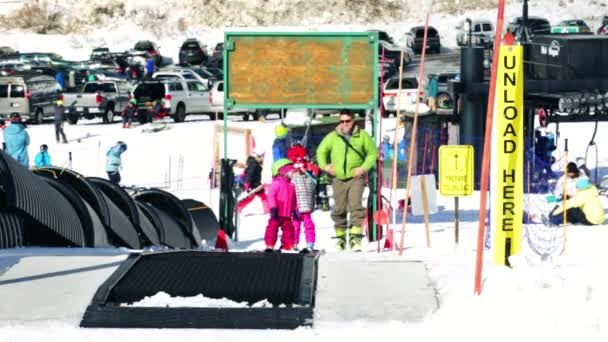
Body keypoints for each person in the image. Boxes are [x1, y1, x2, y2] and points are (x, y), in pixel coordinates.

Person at [316, 110, 378, 251]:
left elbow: (372, 153)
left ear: (353, 121)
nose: (345, 124)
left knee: (355, 206)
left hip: (356, 177)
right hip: (338, 178)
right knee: (339, 208)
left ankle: (355, 239)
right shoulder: (332, 137)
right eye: (342, 121)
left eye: (347, 121)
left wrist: (362, 168)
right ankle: (341, 238)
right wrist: (325, 166)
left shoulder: (362, 136)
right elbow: (321, 151)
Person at [288, 144, 317, 252]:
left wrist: (308, 173)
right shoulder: (292, 177)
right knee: (295, 226)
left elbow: (314, 184)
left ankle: (310, 243)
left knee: (308, 225)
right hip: (296, 207)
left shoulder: (308, 176)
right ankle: (294, 242)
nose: (299, 167)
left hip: (306, 206)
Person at [265, 158, 297, 252]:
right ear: (282, 171)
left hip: (287, 214)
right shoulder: (276, 183)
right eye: (291, 171)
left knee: (289, 229)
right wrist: (273, 207)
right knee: (272, 228)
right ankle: (269, 245)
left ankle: (287, 246)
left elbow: (294, 200)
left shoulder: (291, 185)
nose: (293, 173)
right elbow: (271, 196)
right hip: (277, 212)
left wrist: (295, 210)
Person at [236, 148, 269, 214]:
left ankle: (267, 209)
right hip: (253, 183)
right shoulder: (254, 163)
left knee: (261, 196)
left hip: (255, 182)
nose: (263, 158)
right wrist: (247, 183)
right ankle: (238, 208)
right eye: (262, 156)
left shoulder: (255, 161)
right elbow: (250, 173)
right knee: (251, 197)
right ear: (258, 155)